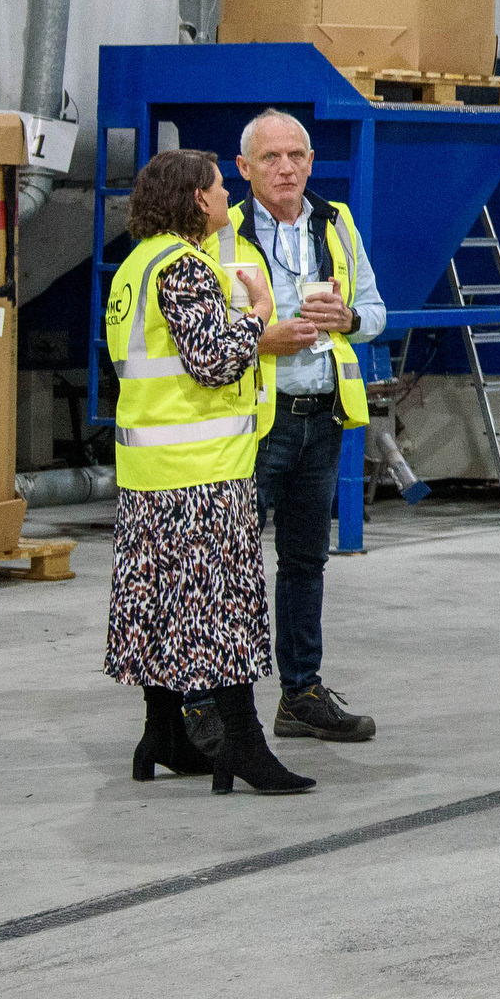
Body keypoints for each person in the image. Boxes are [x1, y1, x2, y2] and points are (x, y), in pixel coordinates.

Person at [101, 147, 308, 796]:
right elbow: (214, 361)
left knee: (163, 606)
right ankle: (242, 744)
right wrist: (262, 320)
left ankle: (163, 734)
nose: (227, 198)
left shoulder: (136, 266)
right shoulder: (185, 267)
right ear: (198, 199)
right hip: (199, 475)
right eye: (221, 188)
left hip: (149, 474)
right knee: (223, 609)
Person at [223, 109, 386, 747]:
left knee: (304, 563)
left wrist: (346, 317)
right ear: (244, 170)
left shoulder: (337, 223)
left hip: (321, 418)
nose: (286, 168)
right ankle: (218, 704)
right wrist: (263, 339)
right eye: (270, 158)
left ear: (312, 162)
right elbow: (200, 332)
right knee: (233, 566)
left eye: (296, 155)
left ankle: (301, 695)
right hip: (255, 428)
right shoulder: (224, 233)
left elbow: (375, 312)